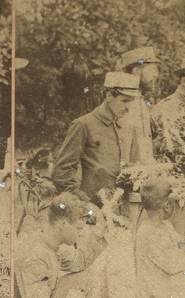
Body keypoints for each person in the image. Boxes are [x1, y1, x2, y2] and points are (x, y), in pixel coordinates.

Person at [52, 71, 145, 205]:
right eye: (124, 101)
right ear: (109, 95)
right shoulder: (83, 124)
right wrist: (85, 204)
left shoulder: (130, 128)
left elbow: (137, 170)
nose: (128, 108)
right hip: (94, 212)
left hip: (125, 210)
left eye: (131, 102)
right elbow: (61, 173)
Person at [117, 46, 161, 161]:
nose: (155, 75)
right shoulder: (121, 106)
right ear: (136, 72)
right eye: (151, 70)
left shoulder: (142, 103)